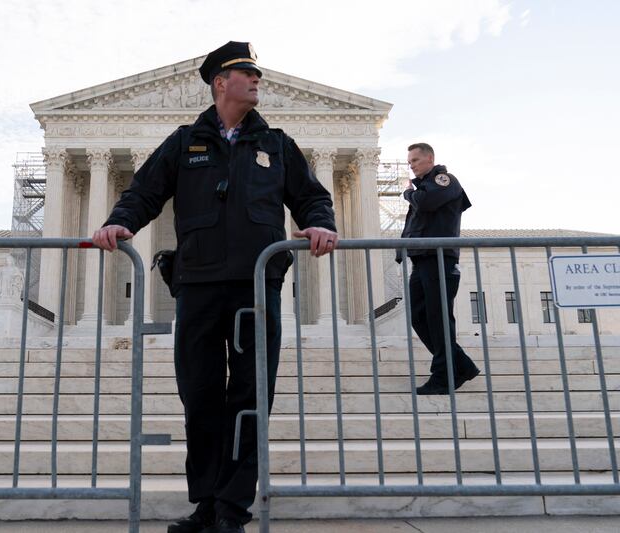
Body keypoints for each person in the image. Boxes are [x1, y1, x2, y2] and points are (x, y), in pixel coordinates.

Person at [92, 42, 338, 533]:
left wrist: (319, 223)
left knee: (249, 399)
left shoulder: (277, 145)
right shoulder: (185, 142)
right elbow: (144, 190)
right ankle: (205, 504)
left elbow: (312, 196)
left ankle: (232, 510)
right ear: (221, 82)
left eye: (258, 75)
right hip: (200, 284)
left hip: (256, 285)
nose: (257, 81)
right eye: (249, 73)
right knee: (200, 396)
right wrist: (120, 223)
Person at [398, 142, 480, 396]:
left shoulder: (444, 180)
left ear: (430, 159)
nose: (411, 165)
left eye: (415, 160)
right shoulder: (424, 187)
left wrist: (407, 192)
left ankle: (444, 375)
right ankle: (461, 365)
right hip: (421, 259)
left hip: (439, 258)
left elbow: (427, 203)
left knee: (438, 317)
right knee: (418, 315)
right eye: (409, 162)